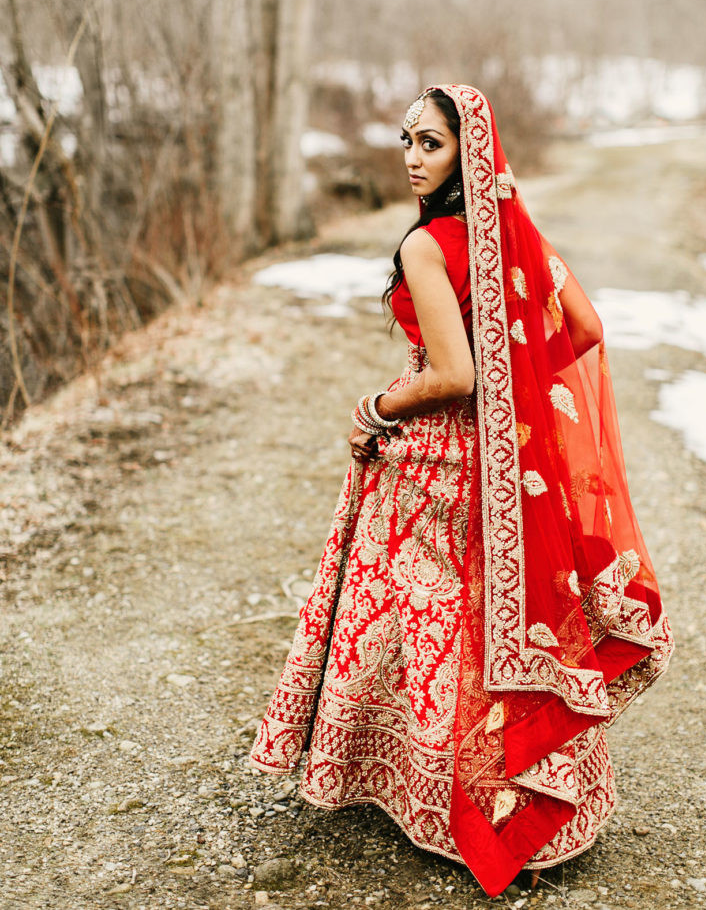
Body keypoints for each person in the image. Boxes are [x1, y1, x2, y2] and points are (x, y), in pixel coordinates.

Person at [249, 84, 674, 897]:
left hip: (438, 463)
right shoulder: (503, 234)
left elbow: (452, 374)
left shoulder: (427, 247)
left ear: (463, 151)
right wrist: (514, 402)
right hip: (503, 463)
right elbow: (580, 330)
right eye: (406, 140)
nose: (412, 158)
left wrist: (377, 405)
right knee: (489, 626)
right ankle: (534, 799)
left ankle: (443, 802)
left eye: (431, 143)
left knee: (425, 630)